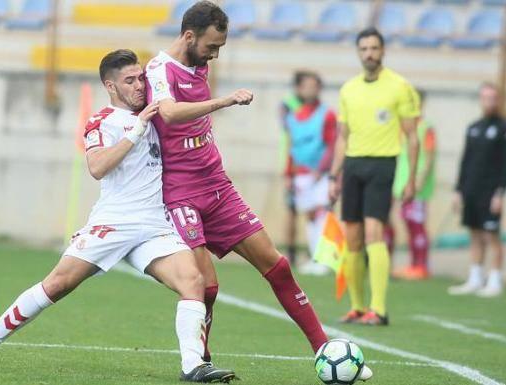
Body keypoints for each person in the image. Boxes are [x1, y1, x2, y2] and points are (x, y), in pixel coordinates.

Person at [0, 49, 236, 383]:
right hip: (113, 224)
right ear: (111, 86)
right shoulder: (104, 121)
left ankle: (193, 366)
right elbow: (97, 167)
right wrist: (136, 131)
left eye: (141, 79)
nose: (139, 86)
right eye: (129, 81)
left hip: (153, 227)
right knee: (56, 285)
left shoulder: (156, 115)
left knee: (193, 282)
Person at [145, 1, 373, 380]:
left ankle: (324, 348)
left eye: (220, 47)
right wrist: (224, 100)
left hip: (217, 185)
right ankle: (201, 362)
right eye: (211, 46)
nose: (215, 54)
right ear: (189, 36)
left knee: (278, 266)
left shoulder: (200, 64)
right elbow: (167, 113)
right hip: (181, 194)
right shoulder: (158, 69)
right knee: (206, 286)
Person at [329, 28, 420, 326]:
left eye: (374, 48)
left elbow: (412, 137)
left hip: (383, 165)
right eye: (364, 48)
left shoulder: (399, 86)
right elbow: (342, 137)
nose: (369, 53)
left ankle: (378, 309)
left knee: (373, 234)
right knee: (352, 239)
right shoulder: (348, 89)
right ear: (358, 52)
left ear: (383, 51)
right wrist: (334, 175)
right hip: (353, 165)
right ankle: (357, 307)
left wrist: (411, 179)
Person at [449, 82, 506, 298]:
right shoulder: (473, 127)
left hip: (491, 192)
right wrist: (458, 190)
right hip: (471, 189)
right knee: (474, 234)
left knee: (491, 235)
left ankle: (494, 280)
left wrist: (500, 192)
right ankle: (475, 278)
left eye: (493, 97)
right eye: (485, 97)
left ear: (498, 100)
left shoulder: (502, 128)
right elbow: (466, 160)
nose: (489, 101)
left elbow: (504, 164)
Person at [281, 71, 336, 274]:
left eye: (314, 85)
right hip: (301, 174)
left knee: (323, 213)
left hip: (320, 174)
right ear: (299, 89)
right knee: (311, 215)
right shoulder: (293, 117)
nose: (310, 89)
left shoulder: (327, 114)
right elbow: (292, 147)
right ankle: (316, 257)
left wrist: (321, 170)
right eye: (306, 86)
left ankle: (326, 259)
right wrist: (288, 174)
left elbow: (332, 144)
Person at [388, 89, 436, 280]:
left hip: (417, 187)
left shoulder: (426, 128)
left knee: (417, 224)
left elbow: (429, 158)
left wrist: (418, 182)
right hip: (401, 185)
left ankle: (421, 265)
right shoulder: (401, 128)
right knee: (407, 223)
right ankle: (413, 264)